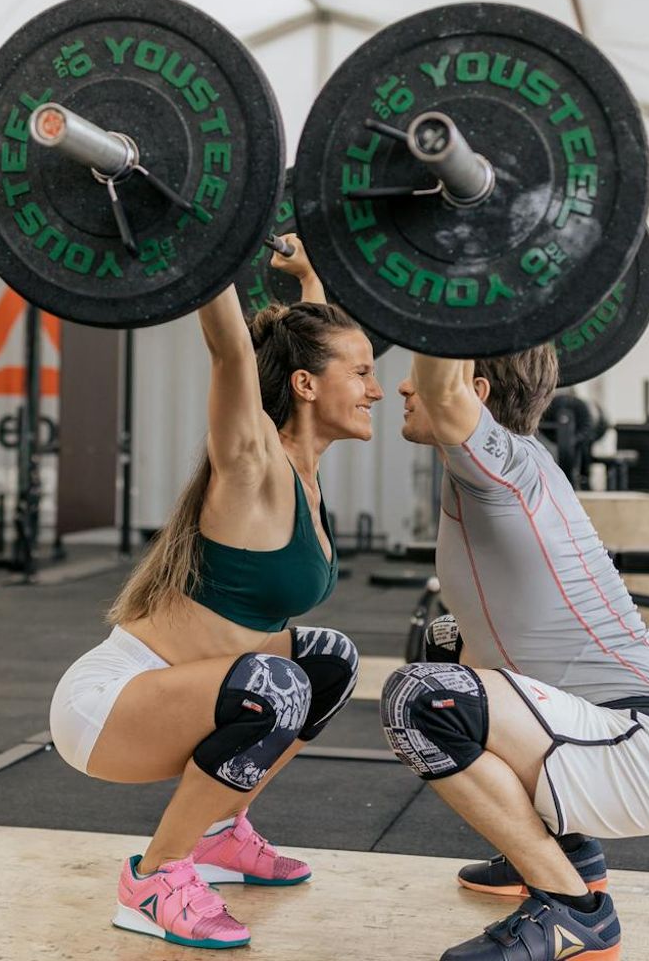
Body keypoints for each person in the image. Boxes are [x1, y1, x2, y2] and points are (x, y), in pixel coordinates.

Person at [48, 237, 383, 949]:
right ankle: (153, 878)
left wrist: (311, 279)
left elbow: (311, 340)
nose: (375, 390)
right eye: (363, 373)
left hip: (191, 693)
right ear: (306, 386)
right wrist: (212, 241)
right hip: (107, 706)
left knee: (329, 661)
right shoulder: (253, 464)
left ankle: (220, 834)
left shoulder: (307, 474)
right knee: (278, 686)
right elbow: (232, 352)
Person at [382, 346, 649, 961]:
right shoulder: (510, 462)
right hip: (619, 735)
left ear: (476, 393)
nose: (401, 388)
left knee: (421, 700)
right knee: (448, 641)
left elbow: (443, 388)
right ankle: (566, 849)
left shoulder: (503, 466)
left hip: (642, 753)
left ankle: (575, 912)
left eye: (416, 378)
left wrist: (437, 299)